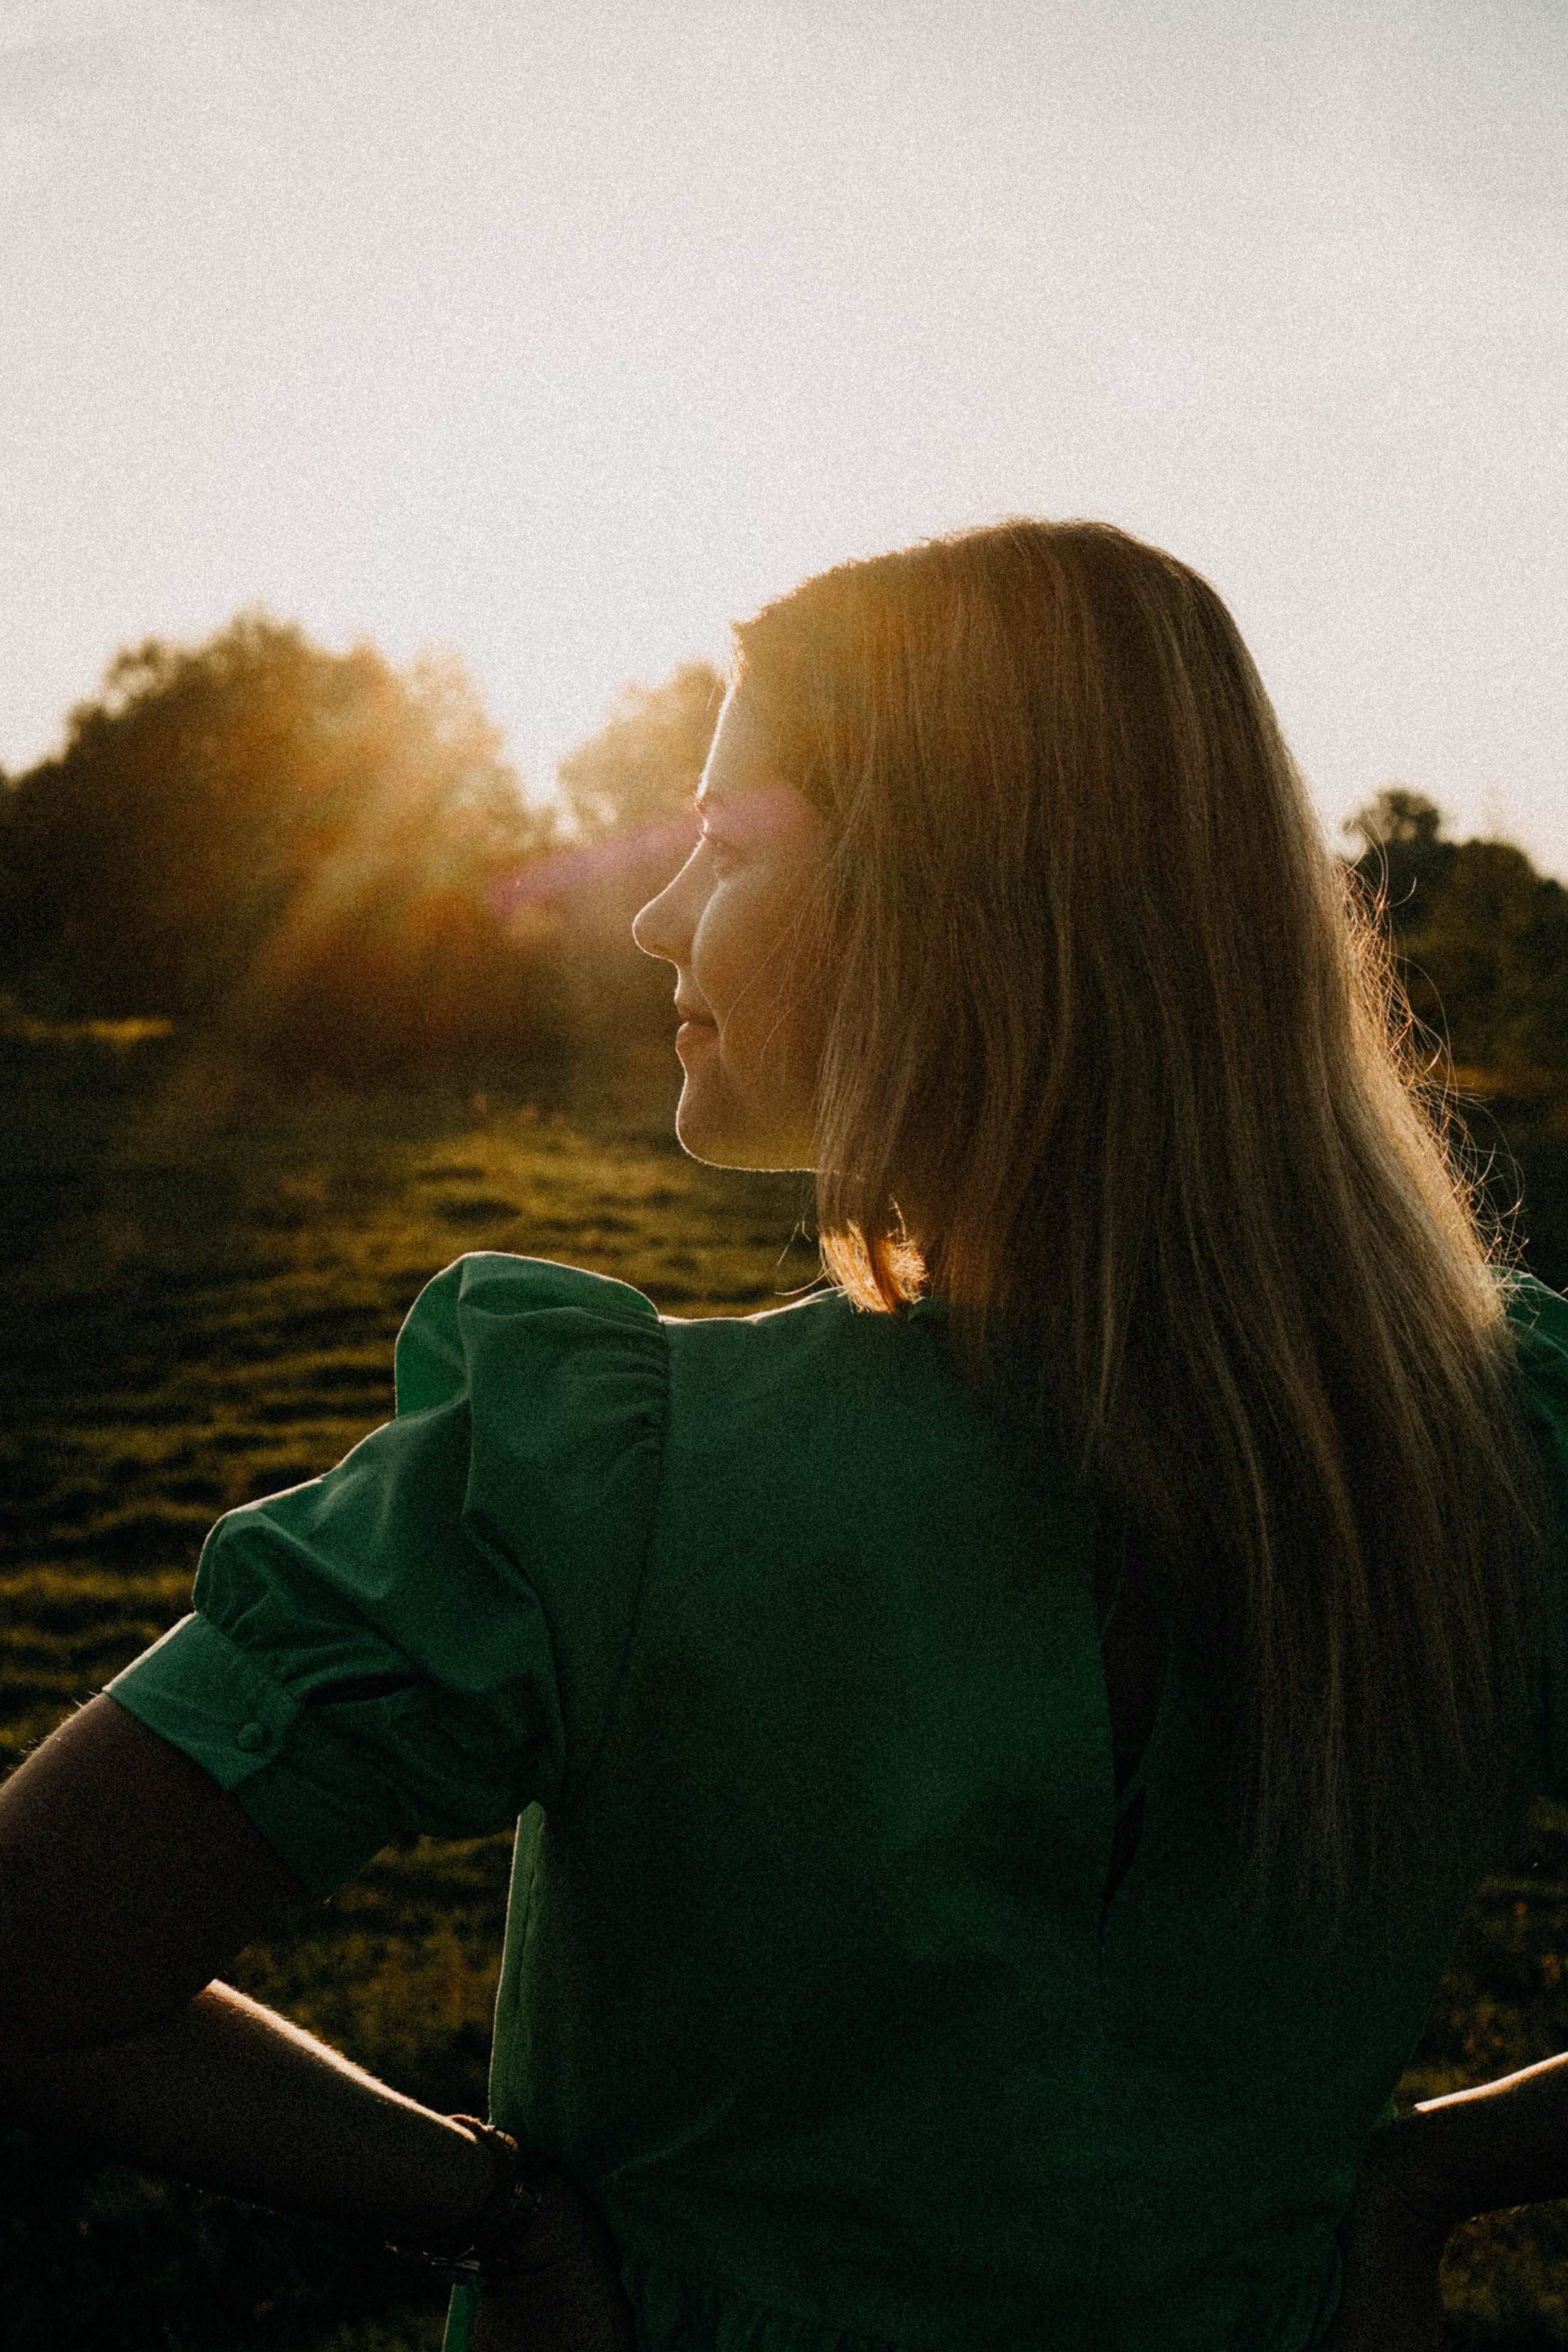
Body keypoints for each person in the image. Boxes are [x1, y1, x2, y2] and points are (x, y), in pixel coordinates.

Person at [4, 519, 1568, 2352]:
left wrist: (493, 2211)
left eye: (727, 847)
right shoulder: (1500, 1440)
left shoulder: (603, 1480)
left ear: (956, 902)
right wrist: (1437, 2173)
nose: (660, 914)